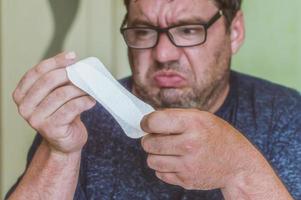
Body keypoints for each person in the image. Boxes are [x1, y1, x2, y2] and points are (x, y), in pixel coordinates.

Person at [6, 0, 301, 199]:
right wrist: (59, 154)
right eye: (144, 31)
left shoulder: (289, 118)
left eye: (188, 30)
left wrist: (241, 170)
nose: (163, 54)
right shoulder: (81, 119)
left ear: (234, 32)